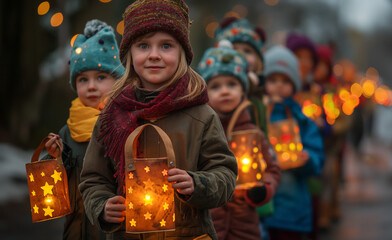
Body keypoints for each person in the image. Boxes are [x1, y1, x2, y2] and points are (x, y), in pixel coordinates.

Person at [78, 1, 238, 239]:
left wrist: (198, 184)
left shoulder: (202, 116)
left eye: (166, 46)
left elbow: (224, 173)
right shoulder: (112, 116)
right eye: (143, 45)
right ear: (130, 53)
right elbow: (93, 178)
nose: (154, 55)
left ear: (182, 52)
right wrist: (102, 205)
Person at [44, 19, 125, 240]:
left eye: (101, 77)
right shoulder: (67, 131)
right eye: (82, 79)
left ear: (118, 81)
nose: (91, 86)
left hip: (115, 227)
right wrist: (54, 159)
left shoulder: (125, 123)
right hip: (77, 227)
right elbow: (52, 187)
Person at [198, 42, 281, 240]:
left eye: (232, 84)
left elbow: (272, 169)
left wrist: (264, 189)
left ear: (243, 91)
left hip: (245, 226)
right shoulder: (201, 133)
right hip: (209, 225)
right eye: (216, 86)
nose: (225, 91)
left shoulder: (253, 133)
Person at [261, 46, 325, 240]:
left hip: (293, 203)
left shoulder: (301, 119)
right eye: (273, 80)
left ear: (294, 84)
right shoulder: (258, 115)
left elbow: (317, 154)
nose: (279, 86)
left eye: (285, 81)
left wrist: (308, 159)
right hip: (263, 203)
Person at [215, 17, 268, 136]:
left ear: (258, 59)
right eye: (234, 49)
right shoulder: (214, 92)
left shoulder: (260, 97)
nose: (240, 55)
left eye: (247, 51)